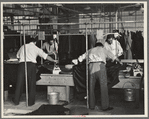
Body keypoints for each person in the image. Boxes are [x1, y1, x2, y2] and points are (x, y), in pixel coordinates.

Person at [72, 41, 122, 111]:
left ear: (95, 46)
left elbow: (80, 59)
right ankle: (105, 106)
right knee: (103, 87)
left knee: (91, 87)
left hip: (91, 67)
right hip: (100, 67)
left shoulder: (90, 50)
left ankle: (91, 106)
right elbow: (113, 57)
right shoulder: (103, 49)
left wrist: (76, 62)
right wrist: (119, 62)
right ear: (101, 46)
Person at [12, 37, 58, 106]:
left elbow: (17, 56)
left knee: (19, 83)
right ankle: (30, 102)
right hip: (31, 66)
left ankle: (16, 101)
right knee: (32, 83)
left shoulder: (23, 46)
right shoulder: (36, 48)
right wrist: (54, 60)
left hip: (21, 65)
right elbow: (46, 56)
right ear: (35, 42)